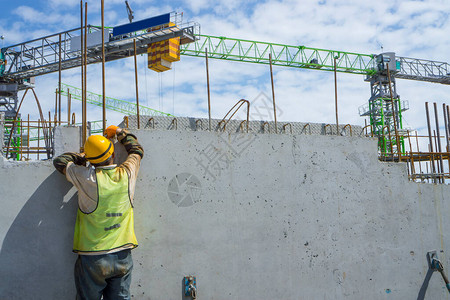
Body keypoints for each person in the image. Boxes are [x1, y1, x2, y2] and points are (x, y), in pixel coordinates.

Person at [53, 125, 144, 300]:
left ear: (92, 160)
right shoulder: (127, 173)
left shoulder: (86, 178)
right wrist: (119, 133)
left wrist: (84, 157)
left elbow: (60, 162)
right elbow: (136, 150)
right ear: (112, 154)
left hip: (92, 258)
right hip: (122, 255)